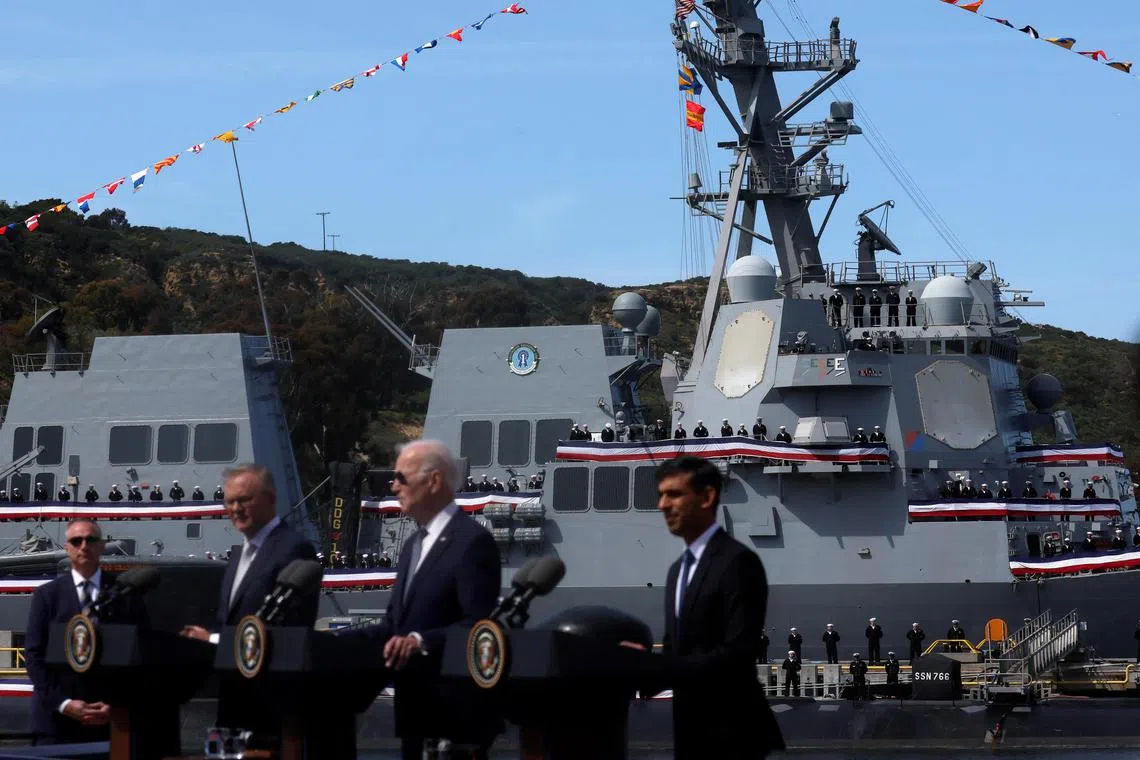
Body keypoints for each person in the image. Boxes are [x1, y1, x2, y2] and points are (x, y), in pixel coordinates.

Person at [344, 441, 501, 759]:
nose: (393, 486)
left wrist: (420, 641)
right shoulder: (412, 546)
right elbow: (394, 625)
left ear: (434, 481)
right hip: (414, 712)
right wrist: (335, 643)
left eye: (401, 477)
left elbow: (479, 626)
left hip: (453, 719)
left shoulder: (472, 542)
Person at [646, 456, 783, 758]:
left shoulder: (738, 562)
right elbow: (675, 652)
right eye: (661, 495)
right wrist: (632, 667)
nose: (663, 505)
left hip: (732, 734)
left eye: (674, 494)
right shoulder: (677, 571)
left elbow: (737, 653)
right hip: (690, 733)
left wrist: (658, 667)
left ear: (707, 497)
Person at [181, 464, 319, 734]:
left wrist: (211, 640)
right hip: (232, 701)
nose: (235, 508)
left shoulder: (293, 549)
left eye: (243, 500)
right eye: (229, 502)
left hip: (269, 706)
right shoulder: (238, 556)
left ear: (271, 499)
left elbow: (290, 631)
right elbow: (228, 622)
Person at [26, 519, 145, 744]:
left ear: (102, 546)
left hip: (110, 722)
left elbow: (140, 655)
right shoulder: (47, 596)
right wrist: (64, 704)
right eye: (76, 541)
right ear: (67, 547)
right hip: (55, 723)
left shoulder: (127, 595)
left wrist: (114, 704)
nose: (84, 546)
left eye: (90, 540)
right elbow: (34, 656)